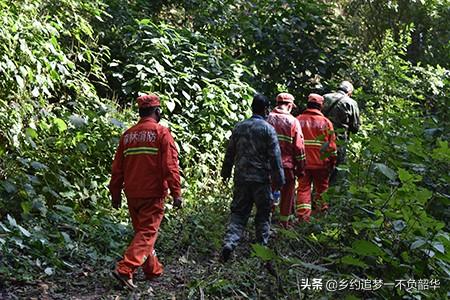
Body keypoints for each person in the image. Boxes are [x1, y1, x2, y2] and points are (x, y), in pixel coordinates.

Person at [109, 93, 183, 289]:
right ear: (157, 111)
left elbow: (117, 169)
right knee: (147, 234)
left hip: (132, 194)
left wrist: (115, 194)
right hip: (153, 194)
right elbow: (170, 166)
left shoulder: (128, 135)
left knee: (143, 233)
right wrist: (177, 193)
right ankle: (125, 269)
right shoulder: (161, 133)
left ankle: (153, 269)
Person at [220, 94, 285, 262]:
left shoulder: (239, 127)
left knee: (239, 213)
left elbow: (230, 152)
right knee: (263, 214)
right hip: (261, 180)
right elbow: (275, 157)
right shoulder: (268, 129)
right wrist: (279, 180)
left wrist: (225, 172)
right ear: (265, 110)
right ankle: (260, 249)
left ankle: (230, 242)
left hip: (241, 178)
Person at [266, 93, 306, 227]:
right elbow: (299, 148)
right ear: (289, 106)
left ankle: (266, 220)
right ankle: (284, 224)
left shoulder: (267, 118)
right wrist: (301, 169)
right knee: (287, 196)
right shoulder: (293, 122)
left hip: (268, 166)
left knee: (268, 193)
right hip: (287, 167)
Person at [296, 94, 336, 222]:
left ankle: (303, 217)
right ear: (321, 106)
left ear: (307, 104)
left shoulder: (298, 120)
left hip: (303, 162)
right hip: (321, 164)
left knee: (303, 189)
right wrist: (332, 162)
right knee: (322, 190)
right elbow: (332, 147)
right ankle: (320, 217)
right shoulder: (326, 123)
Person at [323, 81, 360, 182]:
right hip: (339, 141)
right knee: (335, 169)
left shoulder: (325, 97)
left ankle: (315, 193)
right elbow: (355, 127)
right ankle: (328, 193)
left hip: (321, 138)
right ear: (349, 92)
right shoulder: (351, 103)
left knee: (318, 166)